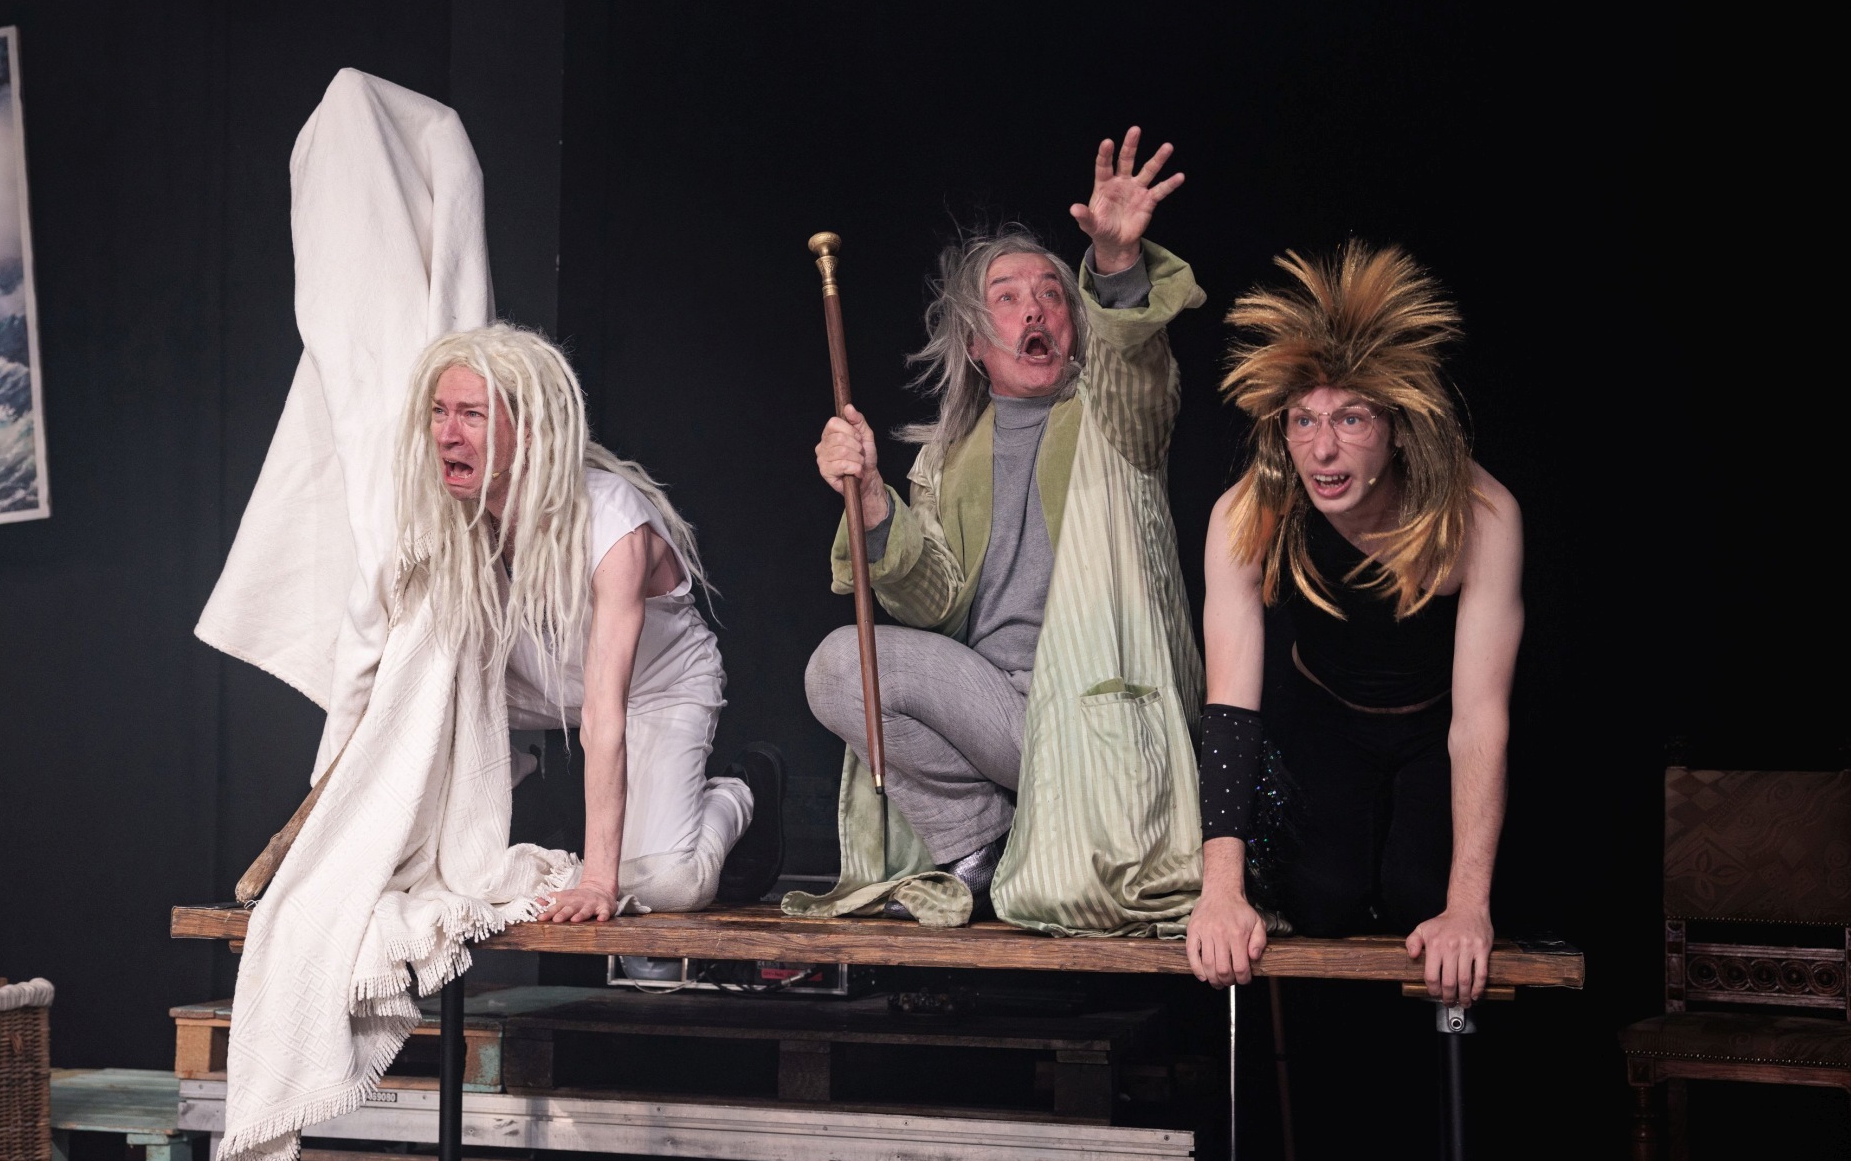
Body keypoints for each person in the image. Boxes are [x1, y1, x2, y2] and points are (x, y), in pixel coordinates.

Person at [791, 129, 1207, 930]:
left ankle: (1014, 838)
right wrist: (874, 501)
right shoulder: (949, 460)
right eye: (1009, 298)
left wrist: (1116, 267)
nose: (1036, 309)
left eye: (1052, 294)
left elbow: (1144, 382)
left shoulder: (1112, 419)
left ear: (1077, 324)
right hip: (1002, 720)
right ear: (978, 343)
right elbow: (934, 604)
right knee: (838, 665)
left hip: (1096, 723)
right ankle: (982, 843)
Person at [1186, 242, 1523, 1005]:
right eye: (1303, 419)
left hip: (1433, 727)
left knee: (1419, 897)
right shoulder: (1251, 511)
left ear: (1398, 426)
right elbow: (1232, 711)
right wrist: (1220, 890)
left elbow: (1479, 721)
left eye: (1350, 417)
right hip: (1324, 719)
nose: (1323, 447)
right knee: (1323, 903)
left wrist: (1469, 906)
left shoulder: (1482, 516)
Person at [401, 323, 784, 920]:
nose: (448, 434)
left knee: (666, 886)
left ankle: (744, 789)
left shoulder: (611, 522)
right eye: (439, 412)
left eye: (472, 415)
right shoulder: (448, 516)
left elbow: (606, 713)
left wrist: (600, 884)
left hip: (653, 687)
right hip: (539, 685)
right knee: (417, 679)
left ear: (526, 432)